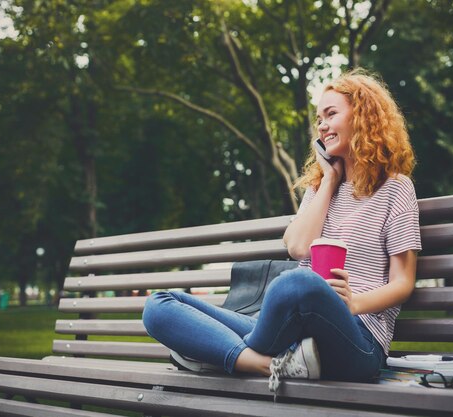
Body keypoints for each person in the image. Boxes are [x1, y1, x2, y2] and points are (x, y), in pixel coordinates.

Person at [142, 68, 421, 395]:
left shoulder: (396, 189)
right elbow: (298, 248)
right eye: (319, 119)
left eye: (331, 114)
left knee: (297, 282)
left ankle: (212, 352)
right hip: (289, 334)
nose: (322, 125)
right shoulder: (321, 189)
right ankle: (261, 363)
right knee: (160, 303)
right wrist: (329, 180)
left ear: (364, 116)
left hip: (357, 338)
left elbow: (403, 282)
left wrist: (353, 303)